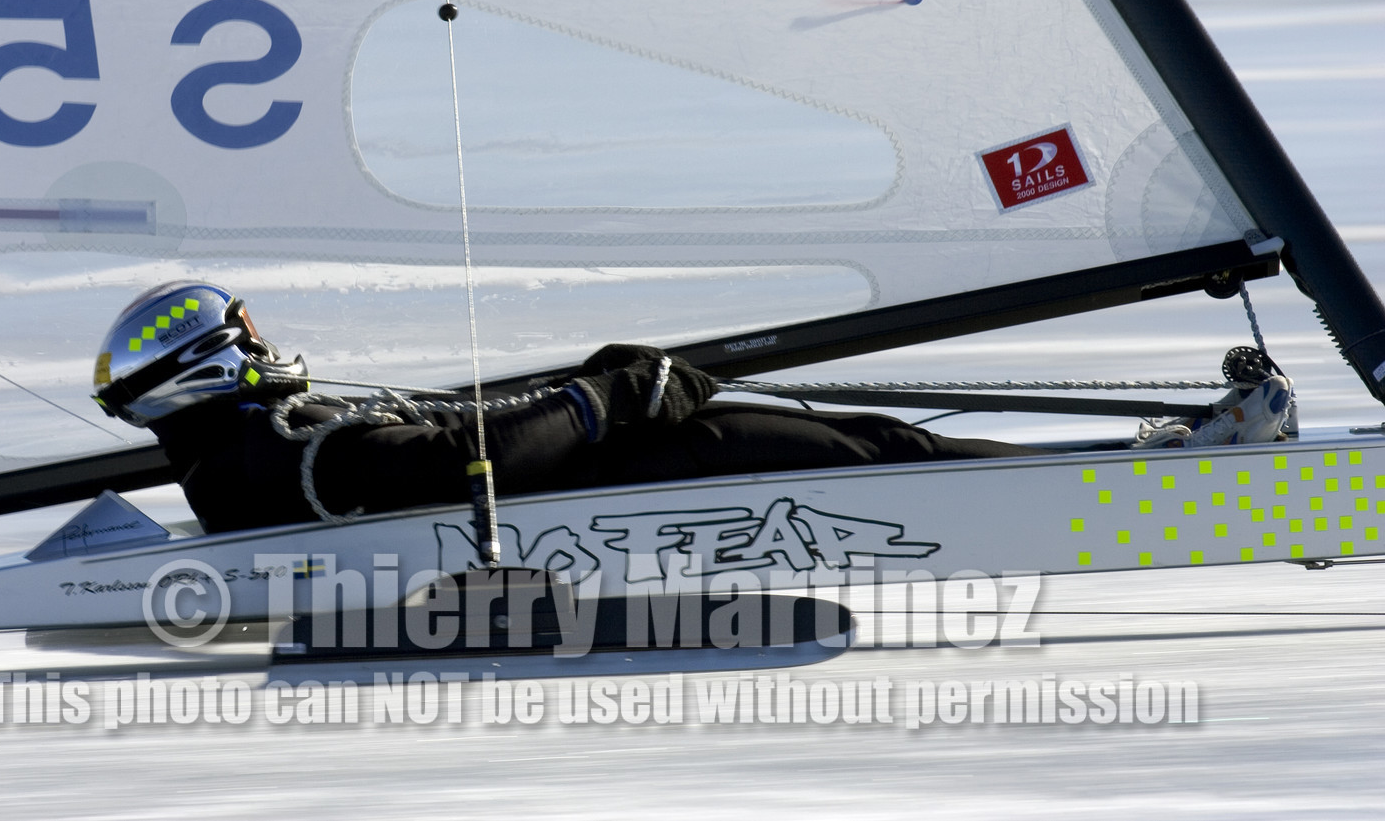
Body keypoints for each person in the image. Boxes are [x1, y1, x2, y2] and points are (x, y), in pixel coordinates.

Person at [92, 281, 1291, 534]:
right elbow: (461, 467)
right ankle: (1184, 473)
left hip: (618, 474)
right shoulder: (260, 461)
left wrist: (610, 380)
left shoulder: (247, 451)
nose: (262, 342)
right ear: (204, 366)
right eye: (236, 335)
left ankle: (1166, 455)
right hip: (627, 492)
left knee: (883, 442)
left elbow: (461, 441)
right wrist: (614, 395)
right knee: (882, 453)